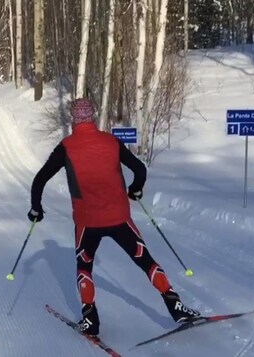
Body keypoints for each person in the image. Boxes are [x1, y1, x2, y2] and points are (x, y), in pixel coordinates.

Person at [28, 98, 200, 336]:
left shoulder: (66, 147)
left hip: (87, 223)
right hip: (119, 217)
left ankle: (90, 320)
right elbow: (140, 169)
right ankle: (176, 306)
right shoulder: (111, 141)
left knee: (84, 267)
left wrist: (36, 209)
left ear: (74, 119)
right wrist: (135, 189)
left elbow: (40, 179)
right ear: (93, 117)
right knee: (145, 260)